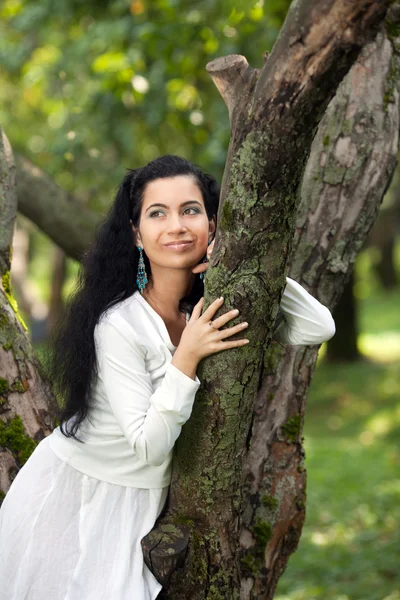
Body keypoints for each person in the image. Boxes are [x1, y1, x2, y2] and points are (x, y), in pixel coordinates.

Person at [0, 154, 335, 600]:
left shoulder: (217, 309)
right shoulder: (119, 325)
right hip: (75, 498)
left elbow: (319, 328)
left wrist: (250, 261)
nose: (177, 225)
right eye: (158, 213)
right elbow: (150, 447)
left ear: (212, 225)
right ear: (137, 234)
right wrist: (187, 357)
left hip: (142, 506)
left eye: (191, 211)